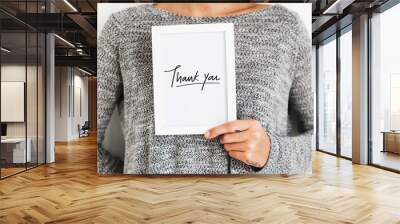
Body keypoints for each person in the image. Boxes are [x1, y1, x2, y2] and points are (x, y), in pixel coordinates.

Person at [97, 3, 313, 175]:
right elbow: (91, 147)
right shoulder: (123, 28)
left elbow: (313, 142)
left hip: (253, 209)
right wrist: (127, 179)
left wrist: (272, 154)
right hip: (149, 208)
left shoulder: (286, 27)